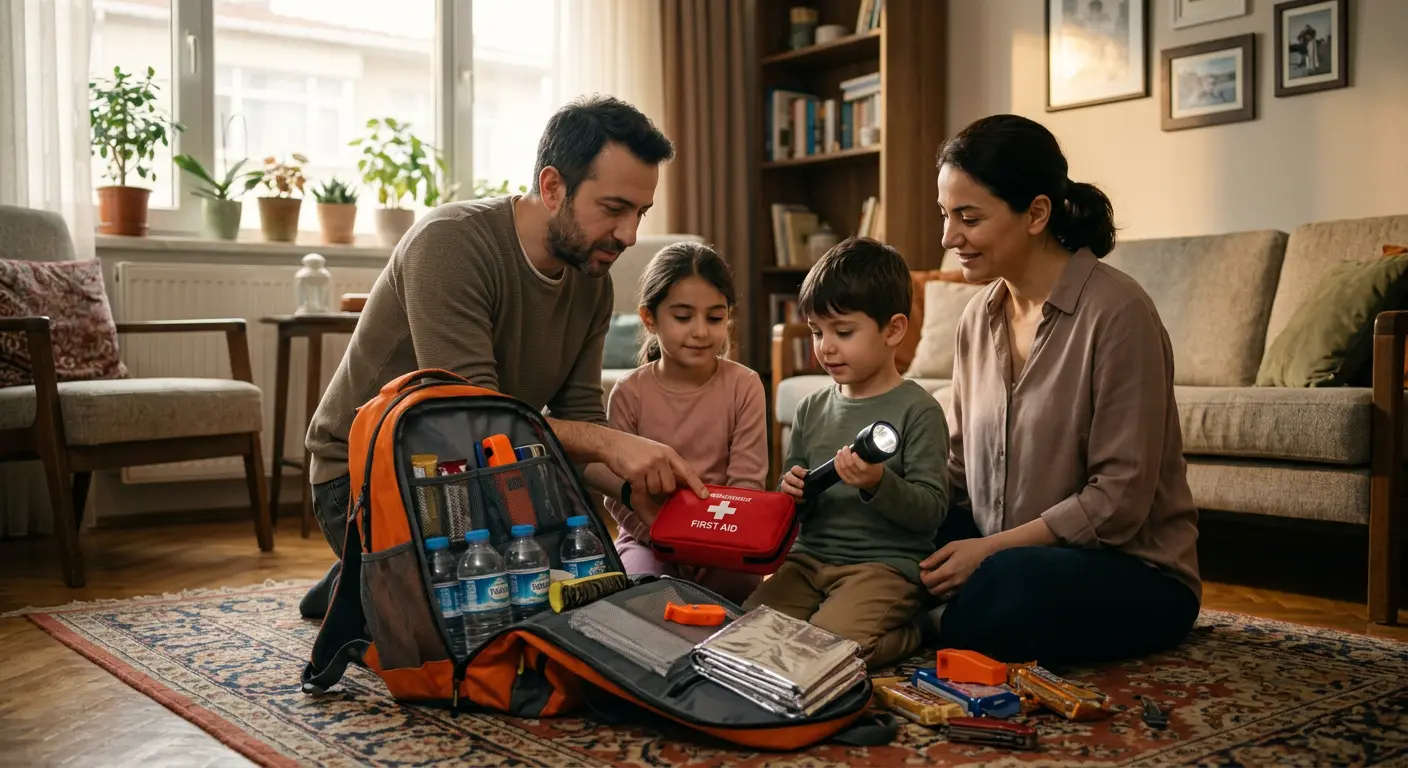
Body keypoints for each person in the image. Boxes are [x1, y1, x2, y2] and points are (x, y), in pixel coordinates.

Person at [299, 95, 708, 618]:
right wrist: (613, 442)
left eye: (640, 213)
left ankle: (365, 582)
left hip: (486, 469)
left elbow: (580, 421)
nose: (629, 235)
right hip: (366, 479)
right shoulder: (449, 243)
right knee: (488, 617)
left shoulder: (590, 279)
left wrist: (634, 494)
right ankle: (365, 578)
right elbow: (466, 417)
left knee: (577, 593)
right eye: (613, 209)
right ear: (553, 187)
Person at [920, 114, 1201, 664]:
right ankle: (939, 616)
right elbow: (956, 471)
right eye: (945, 215)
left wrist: (987, 552)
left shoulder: (1119, 313)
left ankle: (929, 618)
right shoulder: (977, 317)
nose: (949, 238)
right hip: (998, 551)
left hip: (1127, 569)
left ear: (1037, 213)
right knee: (884, 543)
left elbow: (1117, 501)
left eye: (968, 217)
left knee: (1011, 585)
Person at [743, 238, 950, 670]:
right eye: (818, 332)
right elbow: (792, 507)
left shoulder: (920, 410)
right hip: (807, 561)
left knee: (823, 652)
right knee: (746, 632)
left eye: (843, 332)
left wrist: (878, 483)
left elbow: (931, 511)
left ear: (893, 329)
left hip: (880, 568)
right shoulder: (810, 408)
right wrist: (793, 491)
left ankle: (911, 630)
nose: (825, 347)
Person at [602, 242, 768, 605]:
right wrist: (664, 540)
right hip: (650, 538)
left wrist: (712, 546)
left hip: (726, 538)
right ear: (650, 318)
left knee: (742, 599)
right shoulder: (629, 392)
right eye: (682, 317)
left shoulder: (745, 385)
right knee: (642, 595)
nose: (700, 332)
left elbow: (747, 484)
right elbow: (616, 493)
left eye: (714, 318)